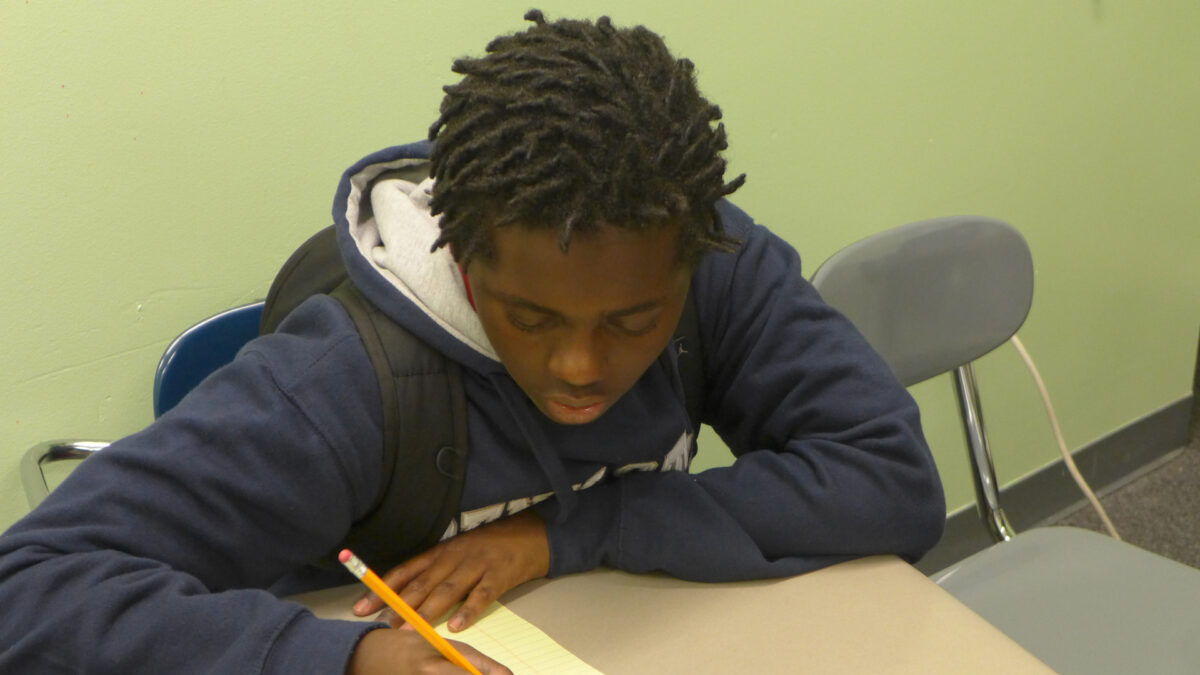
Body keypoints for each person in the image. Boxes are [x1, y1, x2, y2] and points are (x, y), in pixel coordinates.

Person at [0, 9, 945, 674]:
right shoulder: (344, 382)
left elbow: (892, 482)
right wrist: (350, 656)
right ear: (460, 259)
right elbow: (29, 587)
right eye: (530, 318)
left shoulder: (717, 266)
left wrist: (576, 529)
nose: (580, 368)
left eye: (631, 323)